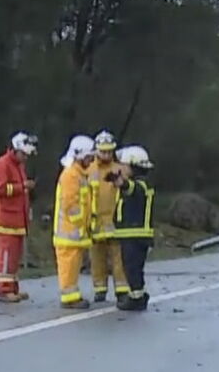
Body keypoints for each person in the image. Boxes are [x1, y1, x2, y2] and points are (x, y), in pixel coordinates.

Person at [0, 131, 38, 303]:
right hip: (6, 220)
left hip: (18, 219)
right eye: (23, 154)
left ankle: (13, 287)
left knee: (15, 256)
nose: (26, 158)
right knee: (7, 256)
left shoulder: (18, 166)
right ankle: (4, 289)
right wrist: (21, 187)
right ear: (15, 150)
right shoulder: (2, 164)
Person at [110, 145, 156, 311]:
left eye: (123, 166)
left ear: (132, 166)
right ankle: (138, 294)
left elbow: (131, 189)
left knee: (132, 267)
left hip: (135, 236)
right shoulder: (140, 184)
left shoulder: (142, 185)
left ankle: (136, 298)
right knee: (132, 267)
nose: (120, 169)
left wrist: (121, 183)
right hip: (131, 235)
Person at [53, 135, 96, 309]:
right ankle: (69, 298)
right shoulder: (71, 175)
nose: (91, 160)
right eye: (89, 157)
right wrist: (80, 224)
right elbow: (71, 204)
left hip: (74, 232)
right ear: (80, 156)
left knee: (73, 266)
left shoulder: (79, 174)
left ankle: (72, 294)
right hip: (69, 232)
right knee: (68, 266)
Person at [87, 130, 130, 304]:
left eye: (109, 151)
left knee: (118, 257)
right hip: (95, 221)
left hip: (114, 219)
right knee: (97, 257)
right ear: (96, 150)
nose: (106, 154)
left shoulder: (120, 169)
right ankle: (100, 289)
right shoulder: (89, 170)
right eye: (102, 151)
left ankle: (121, 289)